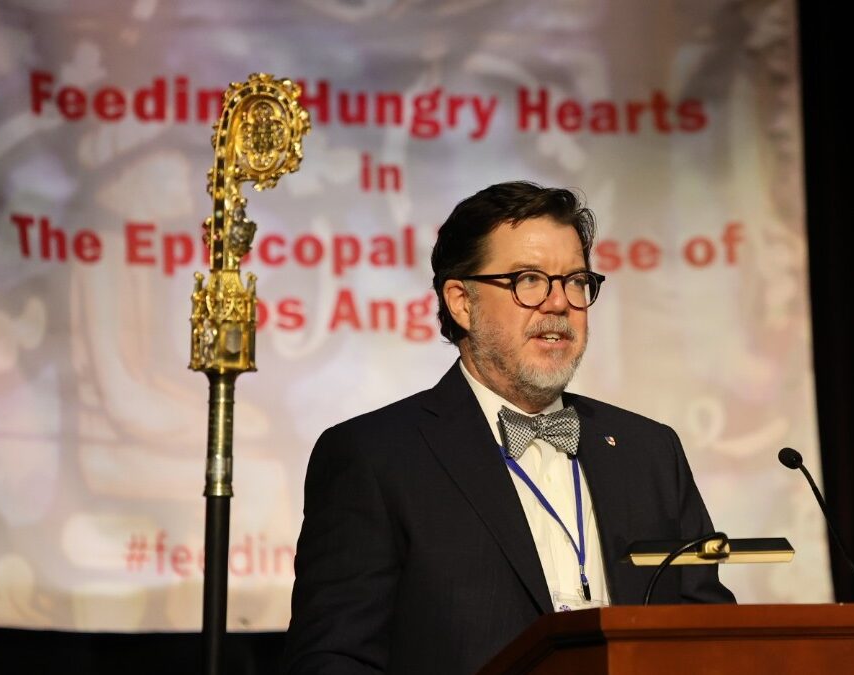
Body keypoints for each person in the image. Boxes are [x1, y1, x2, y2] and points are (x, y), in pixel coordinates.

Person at [283, 182, 734, 674]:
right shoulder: (375, 457)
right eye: (529, 280)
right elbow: (334, 659)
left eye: (575, 281)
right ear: (461, 302)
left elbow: (708, 635)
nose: (559, 304)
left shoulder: (649, 452)